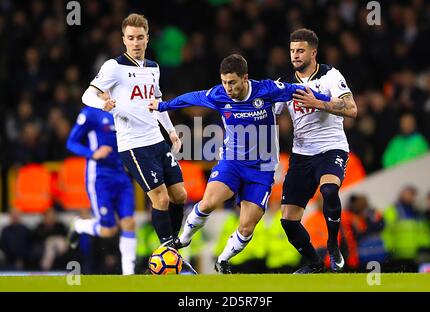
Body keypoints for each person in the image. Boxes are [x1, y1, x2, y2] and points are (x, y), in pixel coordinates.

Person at [148, 54, 331, 273]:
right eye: (224, 82)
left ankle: (223, 261)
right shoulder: (218, 94)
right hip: (232, 163)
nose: (227, 87)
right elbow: (191, 98)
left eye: (232, 82)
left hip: (262, 170)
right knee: (208, 202)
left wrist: (326, 101)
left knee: (246, 226)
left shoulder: (267, 90)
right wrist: (163, 105)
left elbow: (295, 90)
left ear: (245, 78)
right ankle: (182, 240)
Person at [80, 13, 195, 274]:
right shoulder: (113, 67)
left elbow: (157, 101)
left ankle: (171, 247)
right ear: (123, 39)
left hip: (157, 141)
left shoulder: (153, 67)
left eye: (140, 37)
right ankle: (169, 253)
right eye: (130, 38)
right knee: (161, 198)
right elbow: (87, 94)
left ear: (147, 38)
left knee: (181, 195)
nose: (135, 42)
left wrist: (170, 131)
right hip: (133, 145)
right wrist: (104, 104)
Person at [275, 28, 357, 273]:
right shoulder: (286, 85)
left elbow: (352, 109)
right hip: (301, 154)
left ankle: (333, 244)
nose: (295, 56)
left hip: (331, 148)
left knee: (329, 189)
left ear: (313, 52)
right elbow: (269, 116)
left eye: (300, 51)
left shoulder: (330, 75)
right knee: (288, 221)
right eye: (292, 51)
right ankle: (314, 263)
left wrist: (318, 103)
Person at [66, 100, 136, 275]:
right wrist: (92, 153)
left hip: (121, 174)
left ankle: (129, 275)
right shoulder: (90, 113)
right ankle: (79, 225)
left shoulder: (122, 110)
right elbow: (71, 142)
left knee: (129, 222)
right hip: (99, 176)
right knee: (108, 230)